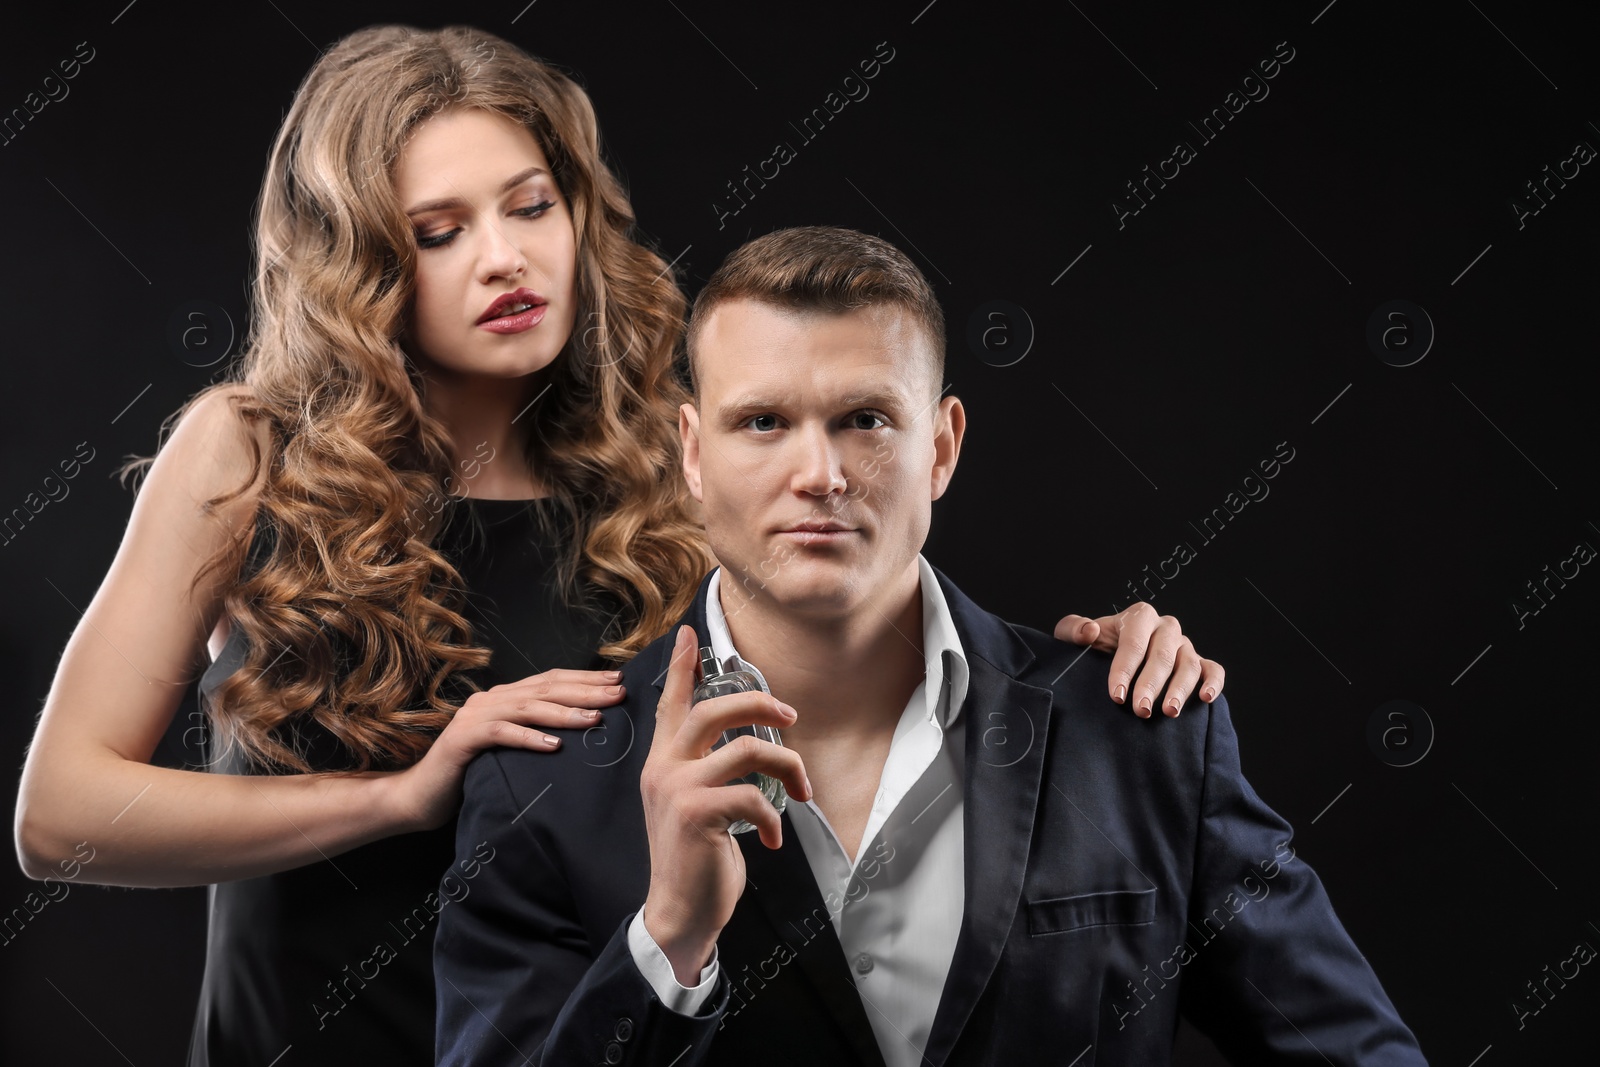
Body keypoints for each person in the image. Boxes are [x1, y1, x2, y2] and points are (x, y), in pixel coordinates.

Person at [11, 27, 1221, 1067]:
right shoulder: (249, 448)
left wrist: (1094, 669)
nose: (505, 256)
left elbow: (875, 654)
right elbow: (60, 815)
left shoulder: (667, 461)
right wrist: (399, 794)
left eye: (531, 205)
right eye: (438, 230)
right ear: (360, 260)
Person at [433, 226, 1428, 1066]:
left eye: (865, 418)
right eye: (764, 421)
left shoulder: (1140, 732)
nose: (817, 471)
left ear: (941, 446)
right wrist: (667, 942)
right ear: (692, 452)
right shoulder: (538, 786)